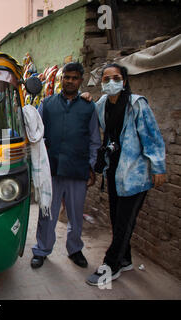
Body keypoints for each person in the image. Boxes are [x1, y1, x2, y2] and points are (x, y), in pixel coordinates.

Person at [85, 63, 166, 286]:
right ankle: (126, 259)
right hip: (114, 172)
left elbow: (152, 136)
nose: (111, 82)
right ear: (101, 83)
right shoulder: (101, 105)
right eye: (106, 79)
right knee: (117, 219)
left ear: (125, 80)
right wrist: (86, 97)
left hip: (136, 174)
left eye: (116, 78)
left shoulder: (136, 104)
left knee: (123, 222)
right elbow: (90, 115)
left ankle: (110, 265)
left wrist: (158, 167)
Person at [30, 62, 101, 269]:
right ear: (61, 80)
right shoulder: (47, 104)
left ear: (80, 80)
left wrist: (91, 166)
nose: (70, 81)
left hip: (77, 169)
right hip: (51, 169)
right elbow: (36, 135)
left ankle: (75, 249)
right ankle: (42, 249)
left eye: (74, 78)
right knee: (47, 213)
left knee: (76, 214)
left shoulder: (89, 107)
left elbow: (95, 140)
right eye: (66, 77)